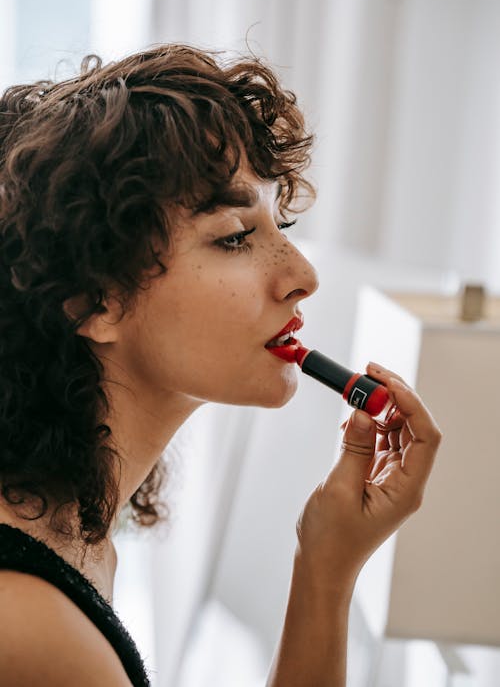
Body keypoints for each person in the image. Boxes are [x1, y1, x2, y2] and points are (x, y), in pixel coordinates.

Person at [0, 44, 441, 686]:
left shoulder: (68, 536)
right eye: (235, 236)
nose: (302, 276)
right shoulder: (33, 622)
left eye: (280, 221)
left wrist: (326, 564)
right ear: (92, 301)